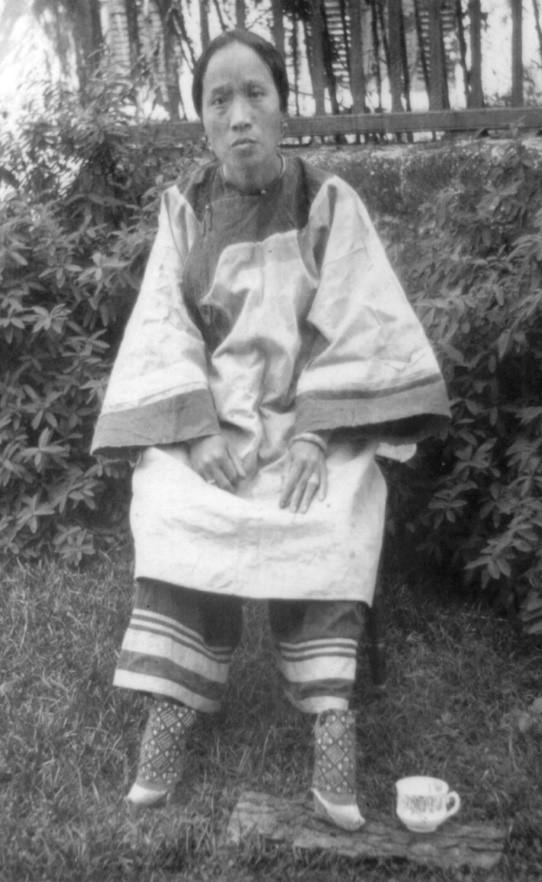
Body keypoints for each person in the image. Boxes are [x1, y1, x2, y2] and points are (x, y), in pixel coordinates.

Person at [92, 30, 451, 830]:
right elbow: (164, 329)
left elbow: (356, 324)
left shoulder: (328, 202)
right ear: (203, 122)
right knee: (168, 503)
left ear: (284, 108)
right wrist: (193, 435)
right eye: (219, 100)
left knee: (340, 502)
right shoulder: (183, 209)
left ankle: (331, 727)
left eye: (256, 94)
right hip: (215, 430)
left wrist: (316, 436)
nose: (240, 116)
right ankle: (172, 712)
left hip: (305, 422)